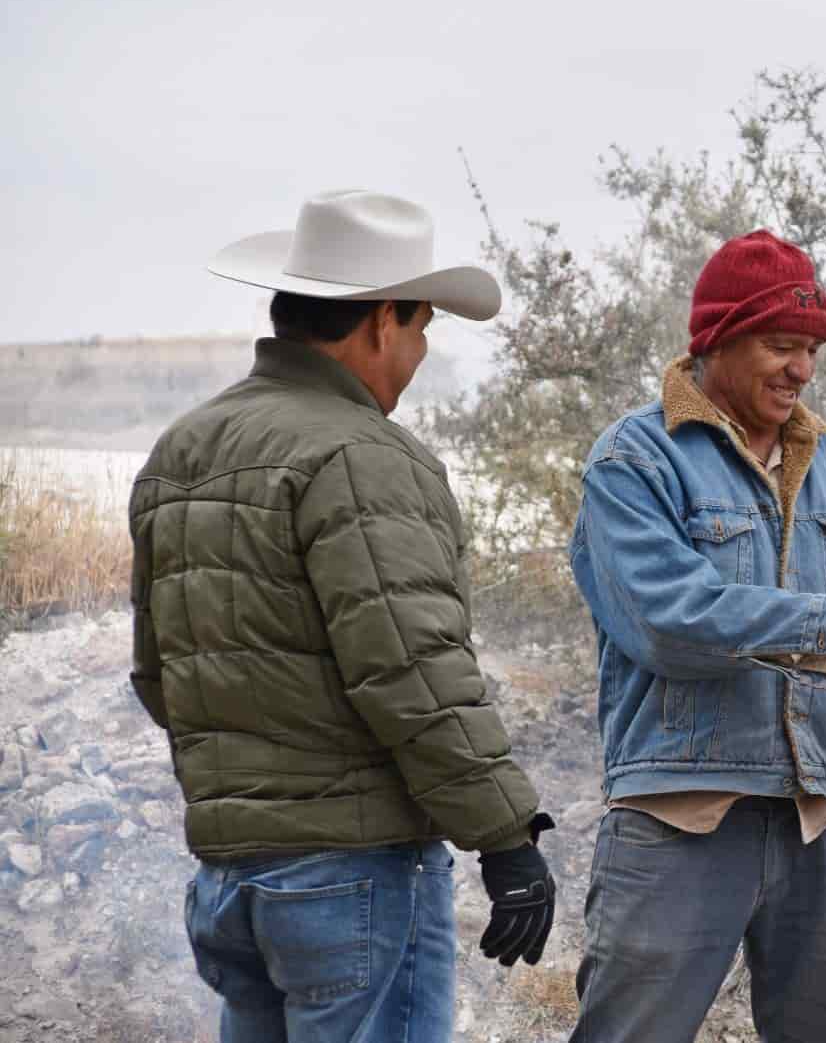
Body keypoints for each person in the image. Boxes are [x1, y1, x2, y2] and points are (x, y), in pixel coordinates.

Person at [129, 190, 557, 1043]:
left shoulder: (181, 449)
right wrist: (506, 839)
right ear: (379, 322)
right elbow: (412, 669)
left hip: (229, 888)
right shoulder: (363, 454)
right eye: (423, 325)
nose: (421, 350)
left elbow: (159, 674)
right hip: (351, 878)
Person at [567, 229, 826, 1043]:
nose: (802, 369)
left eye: (812, 351)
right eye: (781, 346)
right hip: (679, 820)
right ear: (717, 341)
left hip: (819, 822)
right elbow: (664, 620)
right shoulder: (636, 460)